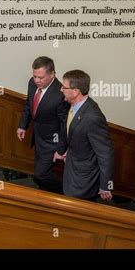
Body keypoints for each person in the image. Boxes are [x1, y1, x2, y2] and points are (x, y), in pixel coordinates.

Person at [55, 70, 114, 201]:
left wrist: (105, 185)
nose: (61, 89)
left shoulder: (92, 117)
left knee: (75, 206)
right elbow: (69, 130)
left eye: (64, 87)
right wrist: (62, 151)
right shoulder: (73, 105)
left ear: (75, 92)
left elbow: (106, 153)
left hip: (83, 176)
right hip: (72, 164)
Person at [17, 56, 69, 193]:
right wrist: (23, 125)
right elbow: (29, 104)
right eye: (35, 76)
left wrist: (61, 149)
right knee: (40, 175)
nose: (37, 81)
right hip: (38, 137)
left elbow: (65, 125)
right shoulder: (32, 83)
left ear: (52, 74)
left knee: (41, 175)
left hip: (53, 142)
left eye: (41, 77)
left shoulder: (61, 94)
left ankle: (70, 190)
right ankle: (46, 198)